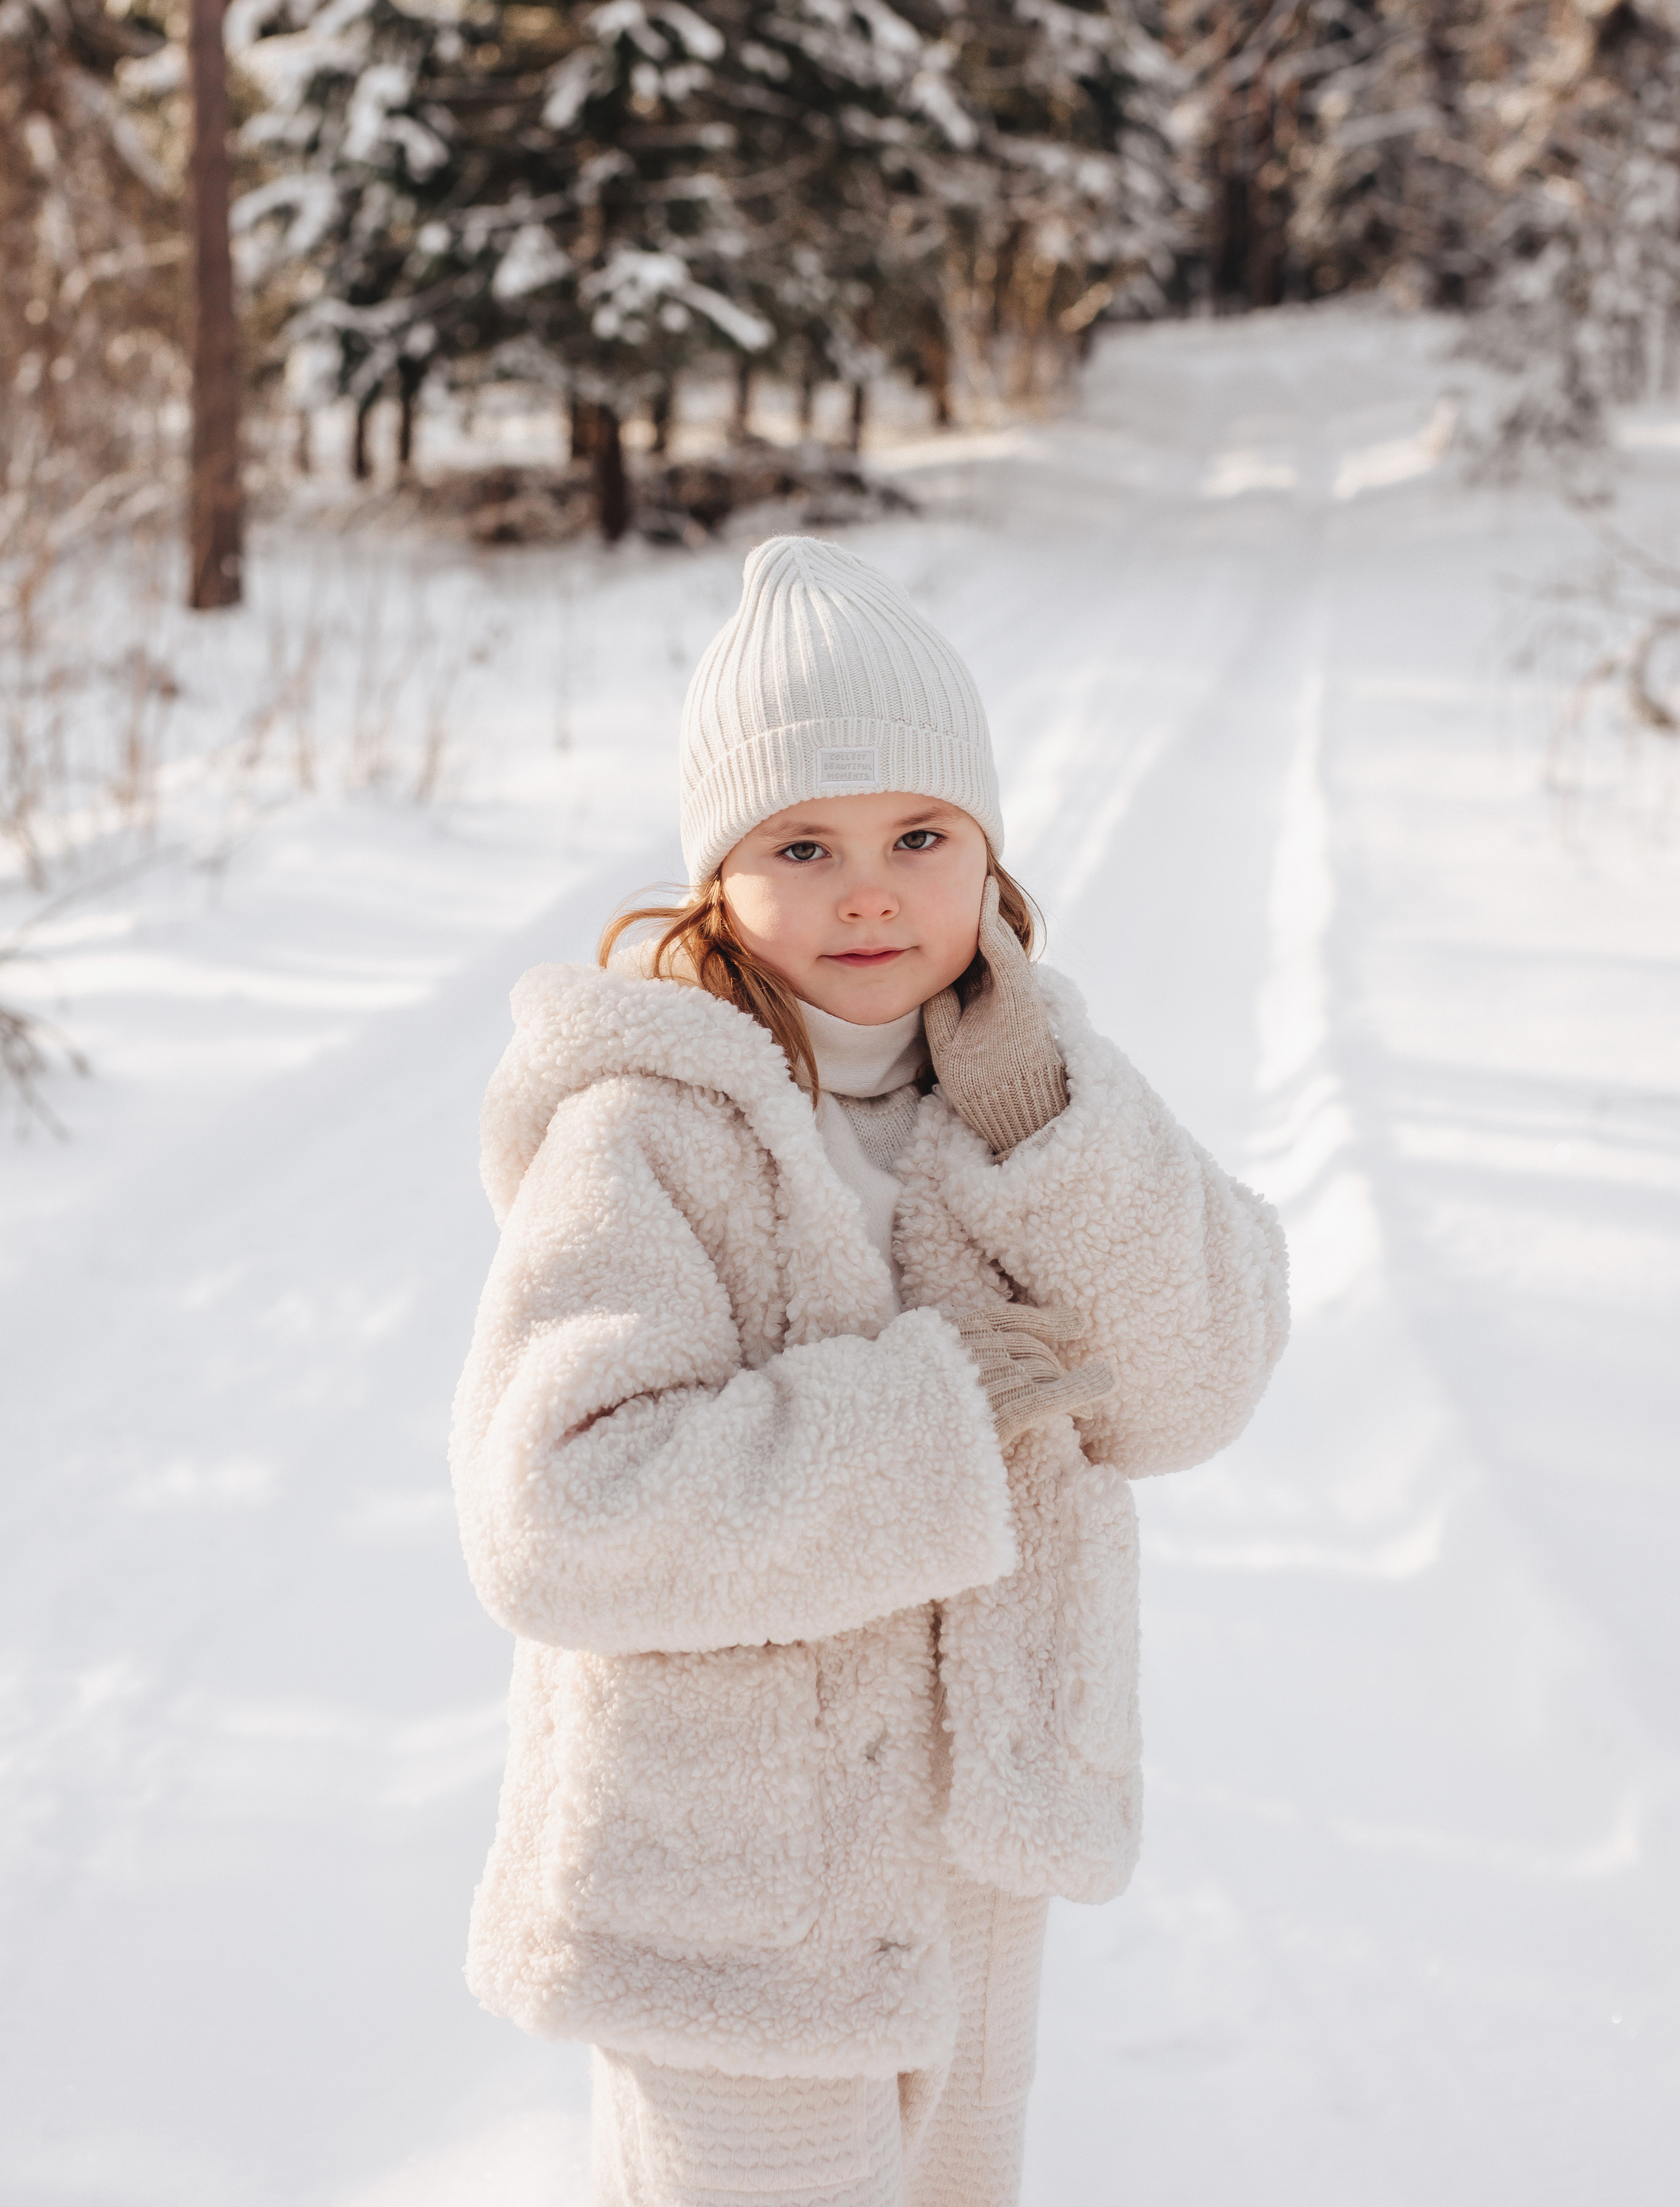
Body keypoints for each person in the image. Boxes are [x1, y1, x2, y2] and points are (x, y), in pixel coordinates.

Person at [451, 536, 1289, 2207]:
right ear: (715, 874)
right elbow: (554, 1512)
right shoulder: (647, 1132)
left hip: (975, 1859)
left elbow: (1190, 1390)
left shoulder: (1028, 1096)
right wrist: (932, 1418)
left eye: (918, 836)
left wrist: (1050, 1124)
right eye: (801, 842)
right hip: (729, 1885)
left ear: (985, 853)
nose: (867, 890)